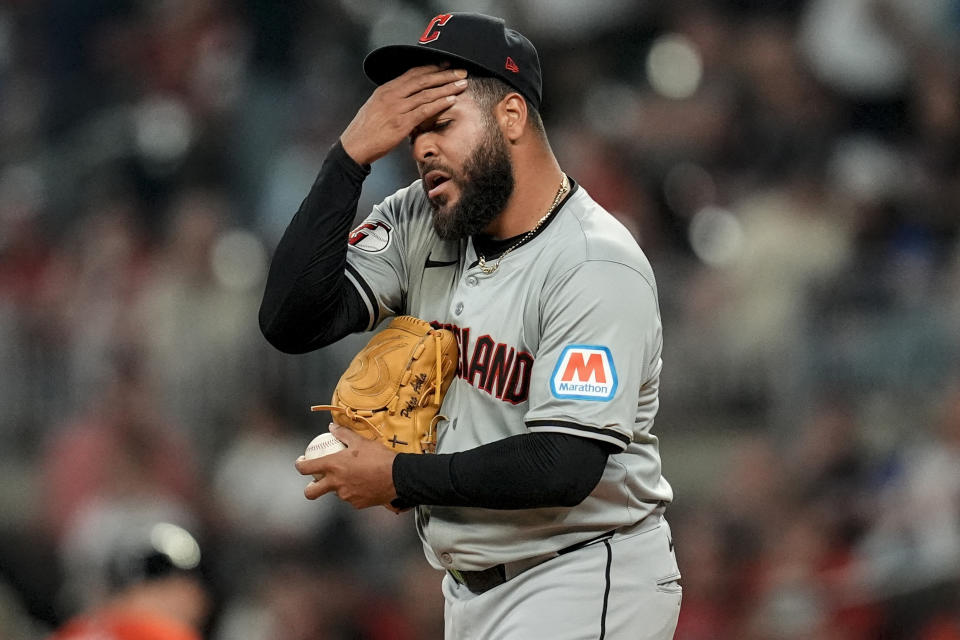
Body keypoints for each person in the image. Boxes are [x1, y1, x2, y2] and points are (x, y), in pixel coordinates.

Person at [260, 12, 681, 639]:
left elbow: (565, 463)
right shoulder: (423, 220)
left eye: (441, 122)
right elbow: (292, 320)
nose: (421, 146)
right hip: (471, 588)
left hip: (583, 574)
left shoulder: (593, 261)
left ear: (511, 117)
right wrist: (349, 157)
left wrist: (397, 477)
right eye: (409, 129)